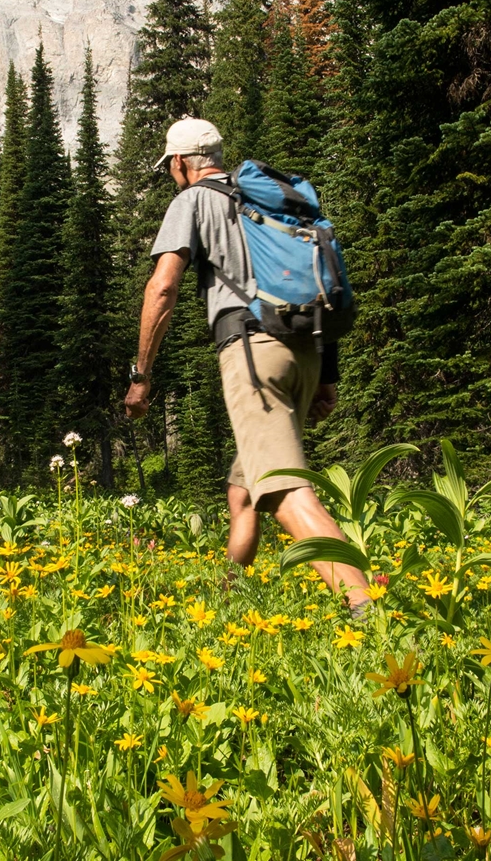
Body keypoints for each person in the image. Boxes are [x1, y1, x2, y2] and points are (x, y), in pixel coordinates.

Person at [124, 118, 371, 614]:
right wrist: (326, 377)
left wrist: (141, 374)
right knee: (243, 491)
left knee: (282, 492)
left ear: (179, 163)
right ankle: (225, 604)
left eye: (170, 168)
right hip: (302, 350)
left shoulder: (193, 200)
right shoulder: (260, 201)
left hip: (253, 353)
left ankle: (369, 608)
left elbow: (163, 288)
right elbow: (318, 277)